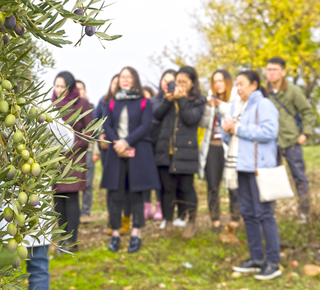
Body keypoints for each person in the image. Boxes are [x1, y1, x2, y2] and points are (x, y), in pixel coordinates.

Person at [222, 70, 281, 280]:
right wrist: (228, 131)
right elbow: (234, 139)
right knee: (248, 214)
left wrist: (238, 129)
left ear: (254, 85)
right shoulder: (238, 107)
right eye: (236, 85)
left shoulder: (263, 104)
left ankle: (273, 262)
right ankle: (256, 258)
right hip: (241, 166)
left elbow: (269, 132)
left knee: (264, 214)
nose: (238, 89)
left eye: (242, 84)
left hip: (259, 167)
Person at [101, 66, 160, 253]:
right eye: (122, 77)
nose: (124, 79)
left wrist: (127, 142)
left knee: (136, 194)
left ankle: (136, 233)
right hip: (116, 152)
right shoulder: (111, 102)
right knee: (115, 195)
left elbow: (145, 126)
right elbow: (107, 125)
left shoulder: (144, 102)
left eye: (128, 76)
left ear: (135, 79)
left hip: (137, 152)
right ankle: (116, 233)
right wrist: (118, 144)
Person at [154, 66, 206, 239]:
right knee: (167, 188)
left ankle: (191, 222)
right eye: (178, 82)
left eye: (184, 82)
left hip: (186, 151)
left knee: (186, 187)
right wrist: (168, 100)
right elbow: (156, 115)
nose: (180, 85)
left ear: (192, 84)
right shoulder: (167, 98)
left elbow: (191, 119)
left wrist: (182, 100)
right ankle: (168, 222)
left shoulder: (198, 100)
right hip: (165, 151)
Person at [265, 57, 313, 223]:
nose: (271, 73)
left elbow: (307, 112)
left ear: (283, 72)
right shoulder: (264, 92)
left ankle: (304, 213)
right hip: (270, 142)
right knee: (270, 177)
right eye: (268, 69)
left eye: (275, 69)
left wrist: (305, 134)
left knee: (299, 177)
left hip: (291, 141)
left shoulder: (293, 91)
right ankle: (269, 214)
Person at [52, 71, 93, 252]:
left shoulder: (81, 103)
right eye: (56, 86)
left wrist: (76, 145)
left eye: (62, 86)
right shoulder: (50, 105)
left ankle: (72, 240)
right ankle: (62, 238)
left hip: (74, 158)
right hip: (55, 160)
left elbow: (90, 130)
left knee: (72, 198)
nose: (59, 89)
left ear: (69, 88)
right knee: (58, 200)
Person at [198, 69, 240, 232]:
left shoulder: (236, 98)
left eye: (221, 81)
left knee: (233, 184)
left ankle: (235, 218)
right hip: (212, 147)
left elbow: (233, 115)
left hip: (230, 147)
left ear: (228, 82)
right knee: (213, 185)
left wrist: (220, 105)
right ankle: (215, 220)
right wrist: (208, 108)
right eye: (215, 81)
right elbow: (202, 123)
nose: (218, 84)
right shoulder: (209, 100)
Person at [94, 74, 131, 235]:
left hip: (125, 149)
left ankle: (125, 219)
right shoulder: (103, 102)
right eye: (114, 83)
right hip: (108, 151)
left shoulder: (129, 102)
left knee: (127, 185)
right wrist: (99, 136)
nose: (116, 86)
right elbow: (96, 122)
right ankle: (112, 219)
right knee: (112, 186)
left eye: (119, 84)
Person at [75, 80, 100, 223]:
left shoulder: (92, 108)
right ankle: (75, 212)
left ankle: (85, 212)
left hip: (89, 150)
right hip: (74, 151)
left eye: (81, 89)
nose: (78, 92)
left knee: (88, 183)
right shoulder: (69, 108)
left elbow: (95, 131)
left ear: (85, 91)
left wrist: (96, 151)